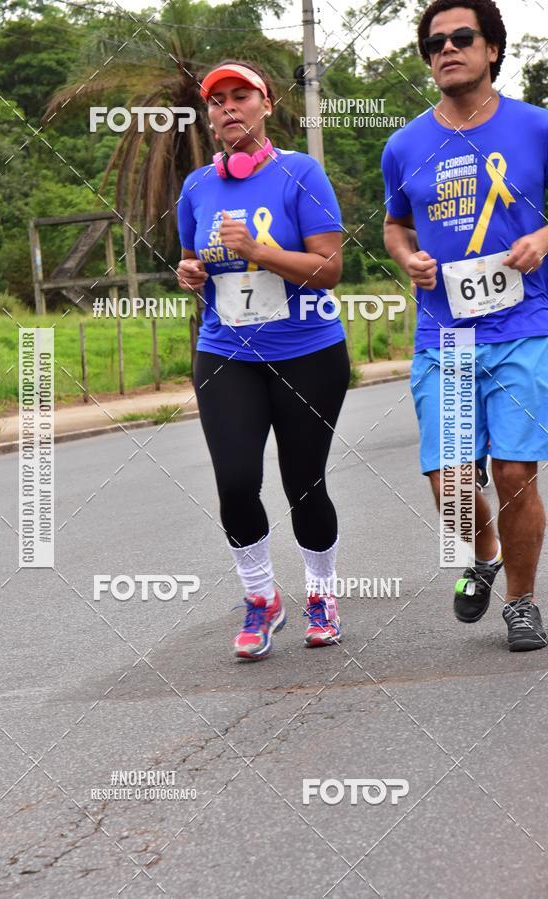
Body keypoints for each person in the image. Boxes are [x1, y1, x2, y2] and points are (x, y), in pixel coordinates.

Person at [382, 0, 548, 651]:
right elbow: (395, 225)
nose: (447, 49)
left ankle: (521, 603)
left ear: (492, 49)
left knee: (513, 474)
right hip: (445, 335)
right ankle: (485, 552)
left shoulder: (536, 126)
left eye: (461, 37)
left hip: (523, 326)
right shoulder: (404, 146)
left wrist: (543, 238)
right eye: (435, 43)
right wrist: (407, 257)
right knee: (449, 484)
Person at [176, 60, 350, 660]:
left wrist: (260, 249)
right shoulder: (197, 187)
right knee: (234, 481)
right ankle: (261, 599)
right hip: (226, 352)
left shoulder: (301, 173)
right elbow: (194, 264)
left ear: (267, 104)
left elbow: (329, 269)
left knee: (304, 484)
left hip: (309, 353)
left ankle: (321, 594)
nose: (228, 107)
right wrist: (190, 273)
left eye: (241, 95)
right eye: (216, 99)